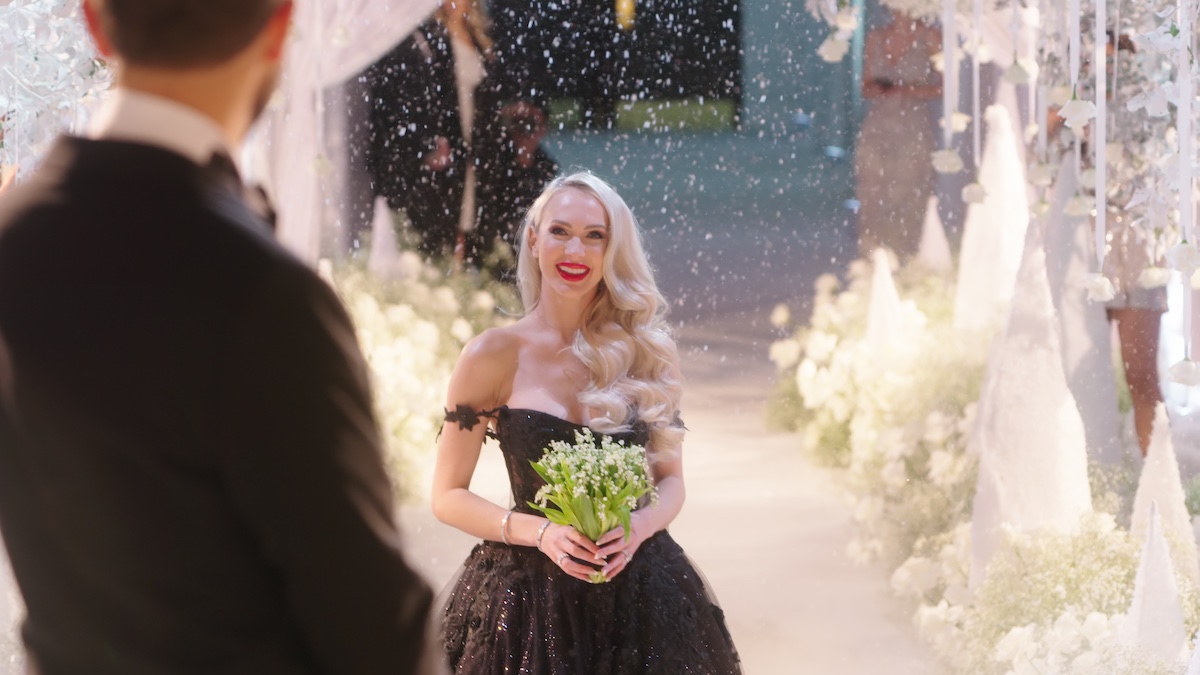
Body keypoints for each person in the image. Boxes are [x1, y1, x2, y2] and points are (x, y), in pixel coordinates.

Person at [0, 2, 437, 673]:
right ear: (279, 26)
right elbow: (380, 636)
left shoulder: (13, 249)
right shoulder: (266, 297)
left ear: (93, 18)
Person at [431, 172, 742, 673]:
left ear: (611, 249)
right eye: (560, 231)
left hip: (642, 592)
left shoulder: (647, 353)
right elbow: (447, 496)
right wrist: (539, 533)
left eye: (594, 236)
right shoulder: (492, 354)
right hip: (524, 600)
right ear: (534, 240)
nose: (575, 250)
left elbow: (672, 484)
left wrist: (638, 528)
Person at [854, 8, 942, 259]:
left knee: (909, 190)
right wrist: (882, 90)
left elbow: (944, 86)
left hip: (912, 124)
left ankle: (905, 256)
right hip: (878, 123)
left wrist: (907, 90)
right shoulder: (876, 37)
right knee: (872, 191)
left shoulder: (930, 37)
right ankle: (873, 258)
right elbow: (866, 85)